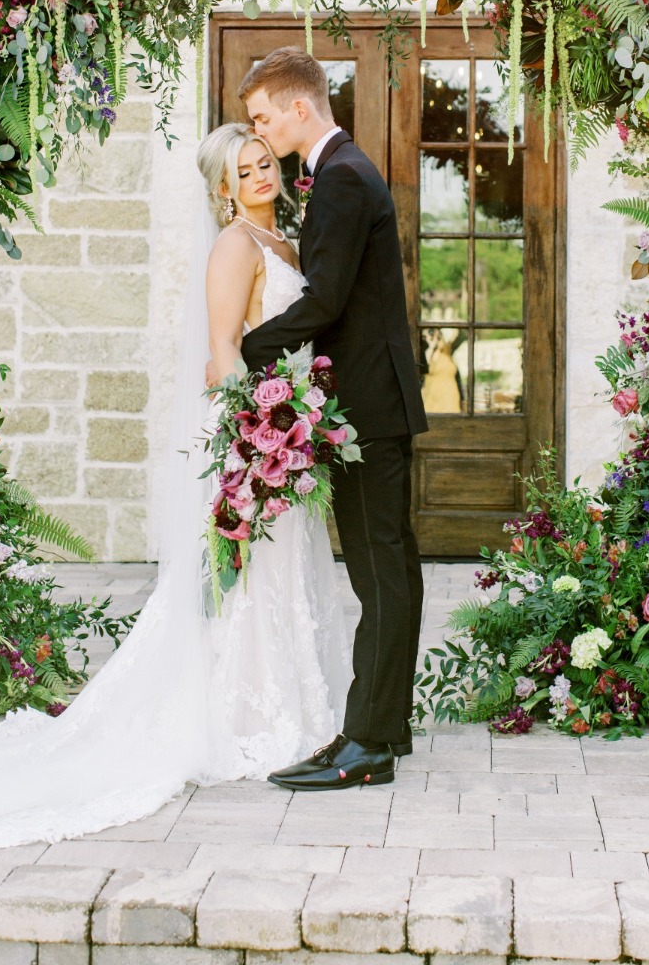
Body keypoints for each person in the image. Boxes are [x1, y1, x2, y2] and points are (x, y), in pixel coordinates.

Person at [0, 124, 350, 853]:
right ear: (222, 188)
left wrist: (296, 423)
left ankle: (292, 710)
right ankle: (246, 718)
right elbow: (221, 355)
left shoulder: (287, 244)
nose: (261, 176)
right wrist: (254, 442)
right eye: (244, 170)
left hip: (287, 426)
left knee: (282, 570)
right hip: (249, 431)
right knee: (246, 574)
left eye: (265, 162)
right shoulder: (236, 245)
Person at [237, 47, 428, 793]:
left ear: (298, 108)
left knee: (380, 573)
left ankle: (367, 744)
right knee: (392, 568)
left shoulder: (343, 178)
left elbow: (325, 302)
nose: (257, 131)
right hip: (375, 402)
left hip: (368, 409)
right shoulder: (347, 171)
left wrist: (249, 350)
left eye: (261, 116)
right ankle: (390, 725)